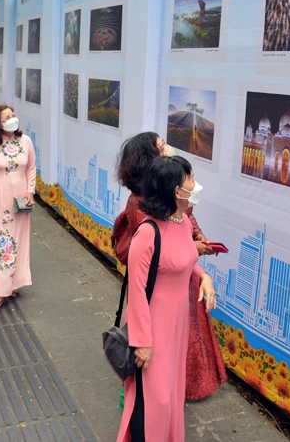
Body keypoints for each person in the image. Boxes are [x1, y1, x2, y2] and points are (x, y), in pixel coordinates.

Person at [113, 132, 227, 401]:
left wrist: (198, 241)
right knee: (153, 360)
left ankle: (178, 388)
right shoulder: (141, 208)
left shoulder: (176, 203)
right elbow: (152, 264)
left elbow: (187, 221)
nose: (168, 150)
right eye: (162, 148)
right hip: (158, 290)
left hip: (180, 283)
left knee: (178, 346)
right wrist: (193, 250)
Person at [0, 105, 36, 311]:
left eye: (13, 115)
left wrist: (30, 191)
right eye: (7, 117)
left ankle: (13, 284)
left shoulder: (26, 141)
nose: (12, 119)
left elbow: (31, 168)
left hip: (20, 202)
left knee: (19, 242)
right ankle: (0, 291)